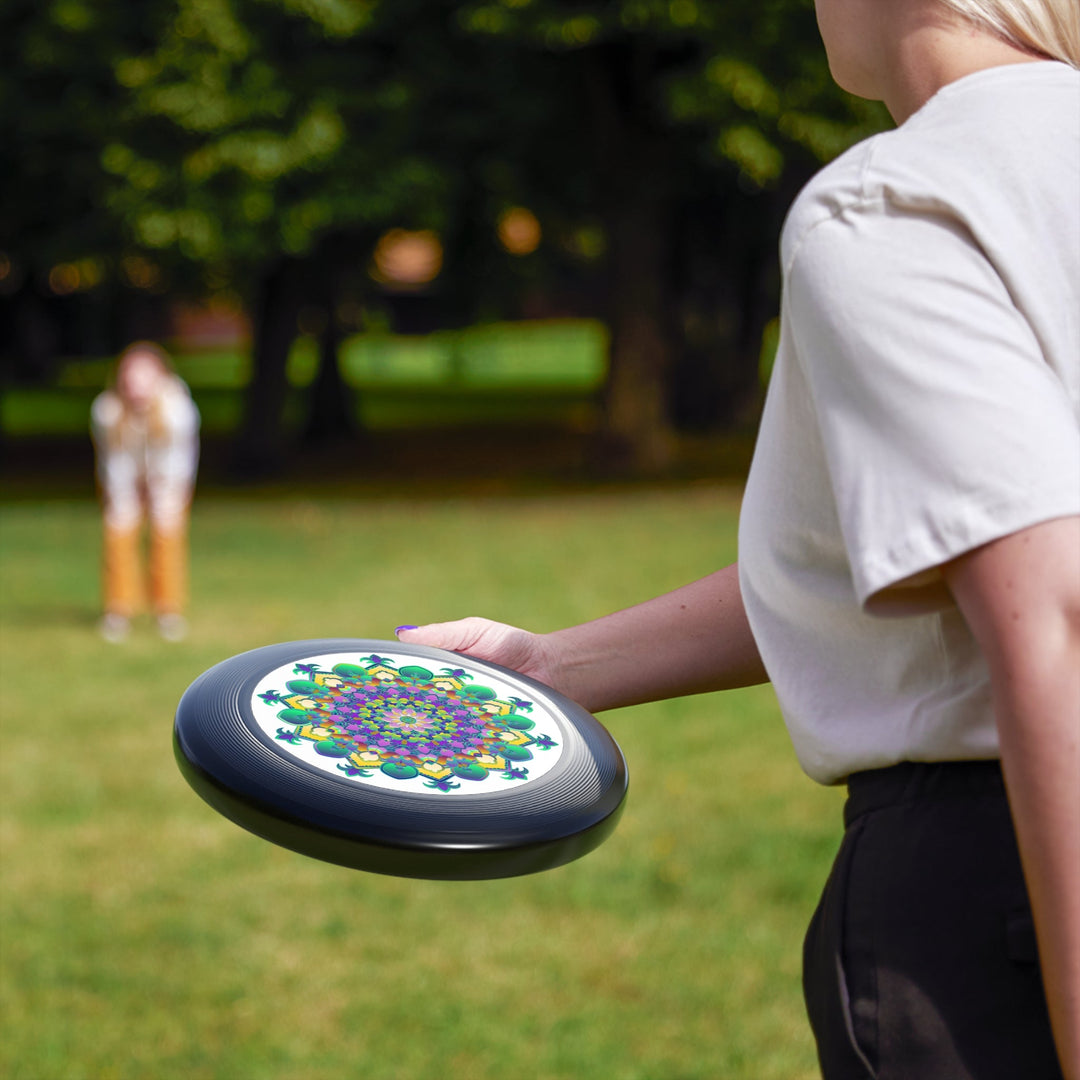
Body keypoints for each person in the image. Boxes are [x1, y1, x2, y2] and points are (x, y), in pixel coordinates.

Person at [395, 2, 1080, 1076]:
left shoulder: (900, 202)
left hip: (1004, 888)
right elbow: (915, 552)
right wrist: (552, 666)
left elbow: (1055, 615)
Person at [91, 341, 200, 642]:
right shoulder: (107, 410)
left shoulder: (178, 410)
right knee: (118, 531)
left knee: (167, 535)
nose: (136, 385)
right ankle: (118, 610)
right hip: (123, 478)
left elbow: (177, 460)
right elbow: (114, 460)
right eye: (130, 377)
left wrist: (160, 492)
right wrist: (126, 495)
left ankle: (168, 611)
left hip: (168, 479)